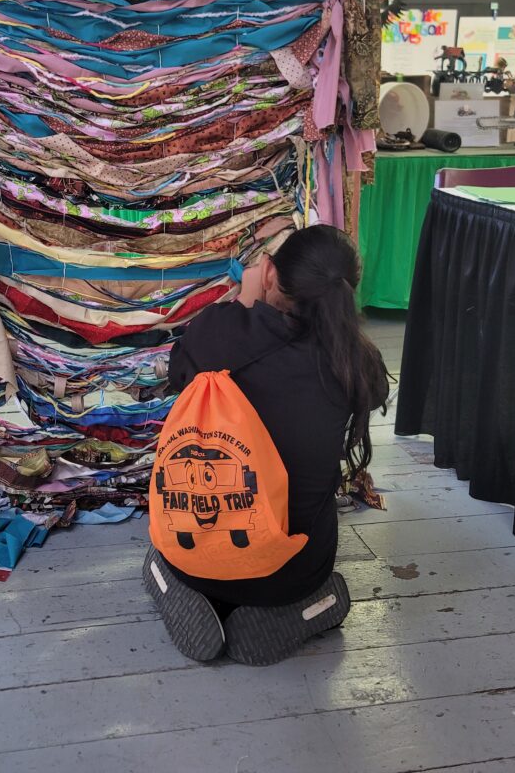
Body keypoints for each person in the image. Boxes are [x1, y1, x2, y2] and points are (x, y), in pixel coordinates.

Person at [143, 224, 389, 665]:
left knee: (163, 546)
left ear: (270, 272)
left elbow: (175, 376)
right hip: (293, 570)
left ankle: (189, 591)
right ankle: (302, 608)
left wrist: (246, 301)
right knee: (305, 522)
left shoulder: (217, 329)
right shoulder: (356, 358)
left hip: (193, 554)